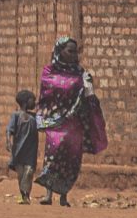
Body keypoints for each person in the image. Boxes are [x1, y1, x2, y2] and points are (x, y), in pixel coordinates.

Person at [33, 36, 103, 206]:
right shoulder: (48, 72)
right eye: (69, 51)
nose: (73, 55)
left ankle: (63, 196)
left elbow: (89, 97)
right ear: (60, 51)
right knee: (53, 154)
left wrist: (89, 88)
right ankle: (48, 194)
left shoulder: (81, 74)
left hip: (74, 122)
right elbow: (44, 95)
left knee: (71, 158)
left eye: (75, 52)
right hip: (56, 120)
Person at [6, 87, 40, 204]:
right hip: (19, 152)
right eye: (32, 100)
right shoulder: (16, 116)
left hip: (31, 152)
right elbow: (9, 130)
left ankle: (26, 194)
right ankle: (24, 195)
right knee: (21, 174)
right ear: (26, 102)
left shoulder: (35, 117)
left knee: (29, 172)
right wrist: (8, 141)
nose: (34, 103)